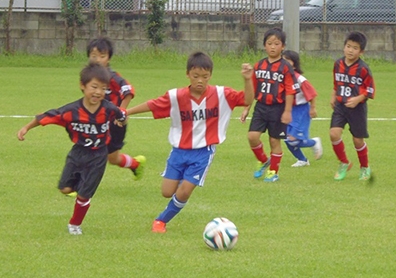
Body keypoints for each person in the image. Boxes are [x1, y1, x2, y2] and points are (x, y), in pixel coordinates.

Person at [125, 51, 254, 233]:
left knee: (184, 192)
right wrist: (127, 112)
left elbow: (248, 99)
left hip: (203, 152)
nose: (200, 80)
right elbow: (153, 105)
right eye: (195, 76)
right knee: (167, 192)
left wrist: (247, 79)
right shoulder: (176, 97)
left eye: (205, 76)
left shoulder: (221, 94)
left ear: (210, 76)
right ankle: (182, 184)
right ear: (188, 75)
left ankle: (161, 221)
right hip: (178, 151)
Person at [17, 63, 127, 235]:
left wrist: (121, 122)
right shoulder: (70, 111)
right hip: (78, 153)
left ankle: (75, 224)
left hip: (98, 156)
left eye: (103, 89)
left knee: (84, 195)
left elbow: (121, 116)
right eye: (94, 87)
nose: (98, 92)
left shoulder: (109, 109)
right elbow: (45, 117)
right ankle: (79, 186)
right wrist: (26, 128)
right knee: (65, 189)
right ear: (82, 86)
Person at [87, 37, 146, 179]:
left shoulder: (112, 77)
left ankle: (79, 186)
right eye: (94, 56)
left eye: (102, 56)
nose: (98, 60)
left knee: (108, 157)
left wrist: (122, 112)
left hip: (115, 124)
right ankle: (135, 164)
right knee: (97, 154)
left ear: (108, 58)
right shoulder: (88, 77)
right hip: (99, 123)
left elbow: (128, 91)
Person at [245, 28, 299, 183]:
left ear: (283, 46)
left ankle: (273, 172)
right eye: (269, 43)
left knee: (274, 141)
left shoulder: (285, 67)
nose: (273, 47)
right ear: (264, 46)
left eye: (276, 43)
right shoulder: (259, 65)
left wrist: (287, 111)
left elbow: (290, 90)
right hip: (261, 107)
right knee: (252, 136)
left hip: (278, 109)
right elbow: (253, 88)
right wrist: (247, 107)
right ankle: (263, 160)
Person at [329, 31, 375, 181]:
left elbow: (370, 90)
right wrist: (333, 96)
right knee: (334, 134)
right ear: (344, 47)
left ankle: (365, 167)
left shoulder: (363, 69)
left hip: (357, 109)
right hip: (341, 106)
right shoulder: (338, 64)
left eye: (355, 48)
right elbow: (336, 83)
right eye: (348, 46)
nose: (350, 50)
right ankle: (344, 162)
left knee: (358, 140)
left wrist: (358, 99)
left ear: (361, 52)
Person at [282, 50, 323, 167]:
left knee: (293, 139)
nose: (284, 63)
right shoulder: (281, 77)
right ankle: (302, 160)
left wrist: (313, 108)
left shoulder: (300, 79)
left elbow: (312, 93)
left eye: (287, 60)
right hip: (287, 110)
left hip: (300, 111)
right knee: (285, 138)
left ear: (294, 63)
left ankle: (314, 142)